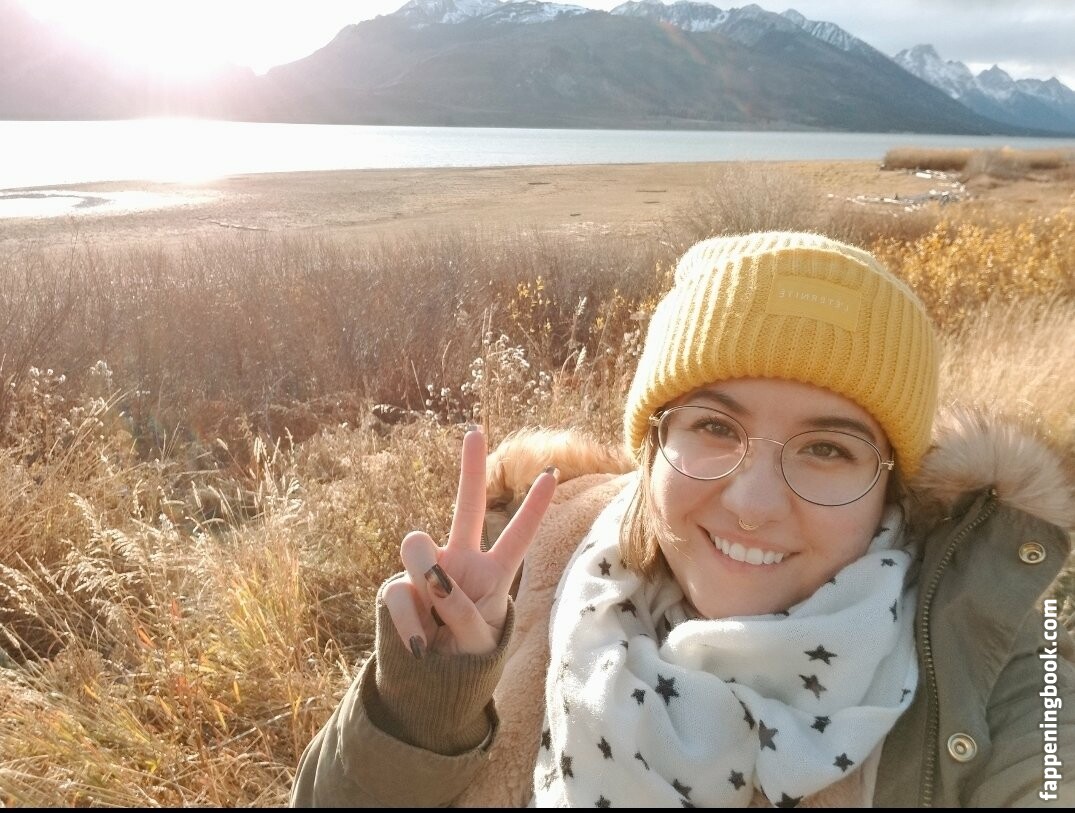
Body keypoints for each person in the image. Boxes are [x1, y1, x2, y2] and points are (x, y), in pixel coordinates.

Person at [290, 231, 1075, 807]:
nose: (752, 504)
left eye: (826, 449)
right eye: (714, 427)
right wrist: (421, 711)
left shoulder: (993, 670)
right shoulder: (527, 572)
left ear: (890, 489)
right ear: (653, 446)